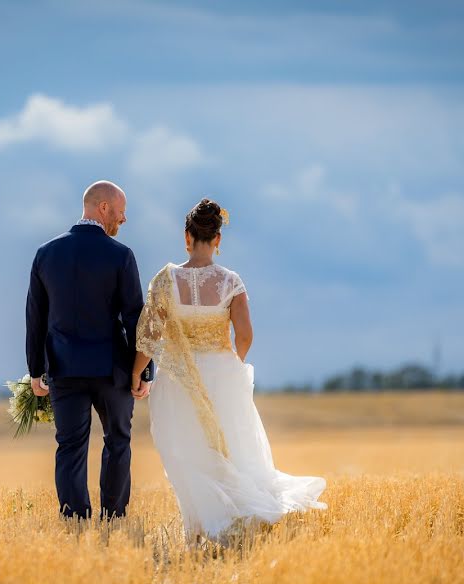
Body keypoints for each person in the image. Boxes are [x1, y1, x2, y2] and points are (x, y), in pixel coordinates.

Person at [131, 198, 326, 545]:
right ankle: (231, 520)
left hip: (180, 379)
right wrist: (232, 361)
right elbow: (246, 334)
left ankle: (200, 528)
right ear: (218, 239)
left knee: (186, 452)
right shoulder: (230, 282)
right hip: (222, 374)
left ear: (187, 236)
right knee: (232, 449)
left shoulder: (165, 279)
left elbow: (149, 336)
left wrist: (137, 375)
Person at [25, 180, 153, 521]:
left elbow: (35, 319)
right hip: (112, 370)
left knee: (69, 447)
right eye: (122, 212)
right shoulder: (121, 256)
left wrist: (36, 370)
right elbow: (135, 319)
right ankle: (113, 518)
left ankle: (75, 519)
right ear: (104, 208)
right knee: (117, 442)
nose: (123, 220)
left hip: (64, 370)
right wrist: (144, 371)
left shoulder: (45, 254)